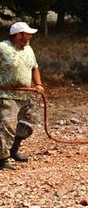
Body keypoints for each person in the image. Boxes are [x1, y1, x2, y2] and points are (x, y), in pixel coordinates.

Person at [0, 22, 43, 170]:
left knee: (28, 124)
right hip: (6, 94)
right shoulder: (2, 48)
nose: (31, 36)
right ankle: (2, 158)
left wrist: (38, 85)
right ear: (19, 35)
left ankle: (13, 149)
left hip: (26, 94)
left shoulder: (29, 49)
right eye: (28, 34)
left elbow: (35, 68)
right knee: (7, 126)